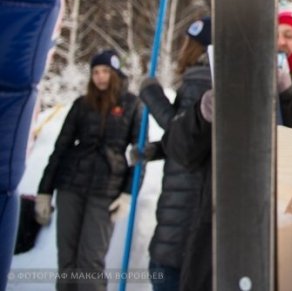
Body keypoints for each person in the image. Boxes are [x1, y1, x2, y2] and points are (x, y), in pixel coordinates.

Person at [34, 50, 142, 290]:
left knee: (90, 261)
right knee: (67, 261)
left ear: (115, 74)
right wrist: (44, 191)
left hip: (105, 191)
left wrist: (127, 193)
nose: (100, 77)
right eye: (95, 72)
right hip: (70, 187)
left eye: (105, 71)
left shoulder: (132, 105)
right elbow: (60, 149)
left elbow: (140, 154)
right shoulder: (82, 105)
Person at [137, 16, 213, 290]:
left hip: (182, 223)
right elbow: (191, 138)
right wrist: (155, 150)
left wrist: (151, 95)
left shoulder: (200, 82)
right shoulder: (202, 81)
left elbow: (183, 138)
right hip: (183, 216)